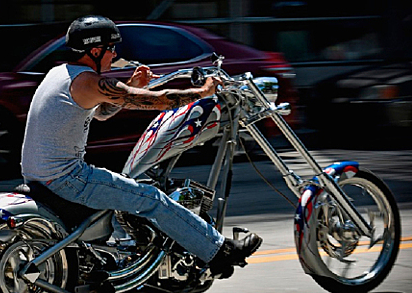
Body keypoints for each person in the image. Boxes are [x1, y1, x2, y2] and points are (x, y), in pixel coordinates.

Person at [21, 15, 262, 277]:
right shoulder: (89, 81)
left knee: (128, 187)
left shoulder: (60, 74)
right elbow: (159, 101)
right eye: (111, 48)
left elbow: (101, 112)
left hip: (39, 174)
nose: (114, 54)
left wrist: (133, 85)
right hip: (68, 178)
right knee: (152, 198)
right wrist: (203, 92)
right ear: (94, 50)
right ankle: (218, 251)